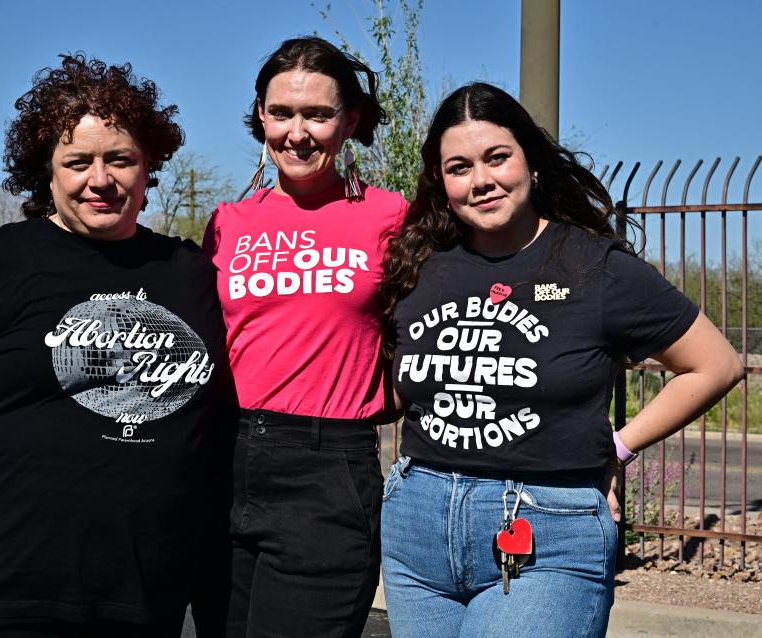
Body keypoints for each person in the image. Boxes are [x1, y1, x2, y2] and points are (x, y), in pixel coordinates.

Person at [0, 53, 235, 637]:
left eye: (120, 158)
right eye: (78, 162)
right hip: (6, 592)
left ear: (149, 167)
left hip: (148, 592)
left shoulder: (189, 272)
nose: (101, 180)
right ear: (45, 171)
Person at [378, 81, 744, 638]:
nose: (481, 180)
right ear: (441, 180)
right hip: (418, 522)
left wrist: (616, 449)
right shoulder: (422, 266)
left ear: (533, 161)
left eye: (497, 157)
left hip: (546, 525)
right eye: (459, 167)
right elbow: (395, 389)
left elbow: (715, 364)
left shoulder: (595, 266)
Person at [203, 36, 408, 638]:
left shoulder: (392, 217)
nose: (297, 132)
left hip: (328, 471)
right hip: (222, 458)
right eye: (282, 113)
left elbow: (436, 327)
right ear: (260, 117)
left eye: (318, 115)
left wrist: (388, 391)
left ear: (350, 121)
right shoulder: (227, 223)